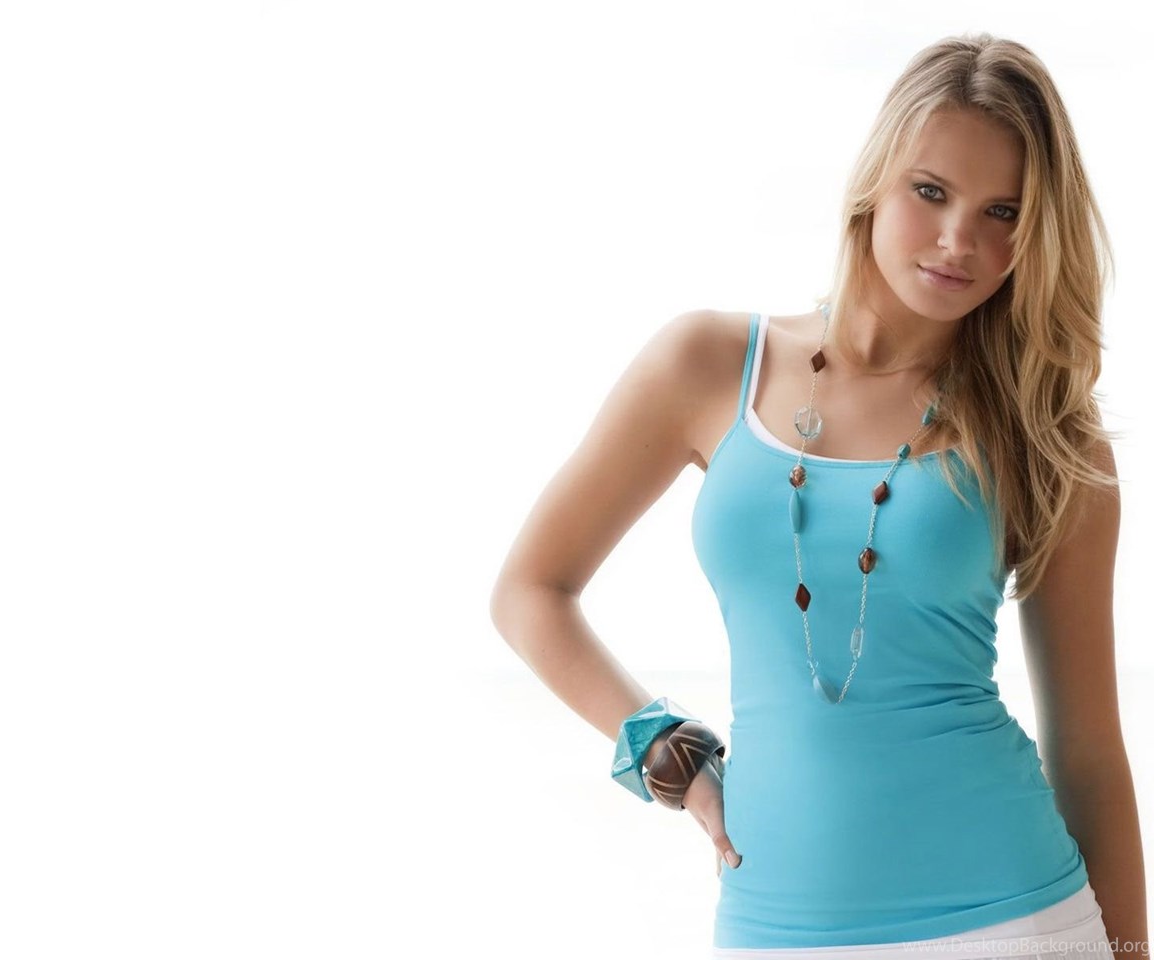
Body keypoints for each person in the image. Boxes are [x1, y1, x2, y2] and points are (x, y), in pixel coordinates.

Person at [488, 32, 1149, 960]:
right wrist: (664, 751)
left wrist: (1132, 953)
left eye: (1003, 212)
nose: (960, 240)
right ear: (874, 181)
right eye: (931, 192)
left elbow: (1087, 748)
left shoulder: (1047, 432)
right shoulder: (709, 364)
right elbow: (531, 590)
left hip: (1014, 918)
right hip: (773, 928)